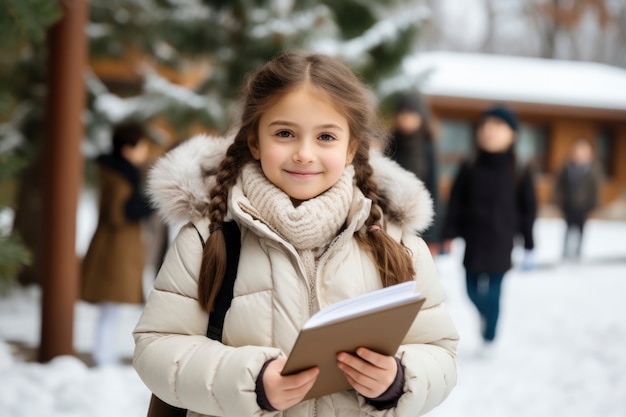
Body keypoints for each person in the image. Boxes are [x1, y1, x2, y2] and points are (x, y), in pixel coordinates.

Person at [133, 52, 458, 416]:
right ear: (255, 141)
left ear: (351, 148)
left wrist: (397, 379)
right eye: (285, 133)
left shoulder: (395, 241)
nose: (304, 153)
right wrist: (251, 381)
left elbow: (438, 349)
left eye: (326, 136)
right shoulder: (209, 236)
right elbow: (156, 349)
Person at [442, 104, 536, 348]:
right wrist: (449, 233)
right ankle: (486, 316)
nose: (489, 131)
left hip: (502, 240)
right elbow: (455, 202)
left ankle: (490, 334)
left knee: (494, 292)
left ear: (513, 134)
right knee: (471, 290)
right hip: (474, 239)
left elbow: (528, 208)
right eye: (485, 126)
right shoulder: (469, 165)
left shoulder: (520, 169)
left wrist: (528, 242)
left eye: (497, 126)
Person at [81, 122, 153, 366]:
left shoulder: (121, 173)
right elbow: (117, 213)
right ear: (127, 150)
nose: (145, 152)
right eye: (141, 147)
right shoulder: (120, 176)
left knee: (111, 309)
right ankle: (103, 356)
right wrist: (144, 205)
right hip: (113, 250)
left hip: (117, 248)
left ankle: (105, 355)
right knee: (109, 308)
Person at [386, 91, 443, 256]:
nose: (405, 119)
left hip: (418, 217)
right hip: (391, 215)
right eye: (402, 113)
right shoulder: (391, 143)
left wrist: (434, 235)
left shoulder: (427, 147)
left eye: (411, 114)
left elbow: (433, 189)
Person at [552, 138, 603, 260]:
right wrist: (555, 201)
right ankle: (565, 252)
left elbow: (596, 189)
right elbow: (559, 185)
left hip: (584, 205)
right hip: (568, 203)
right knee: (567, 229)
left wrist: (595, 206)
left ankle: (578, 252)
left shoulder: (593, 169)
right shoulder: (567, 167)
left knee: (581, 230)